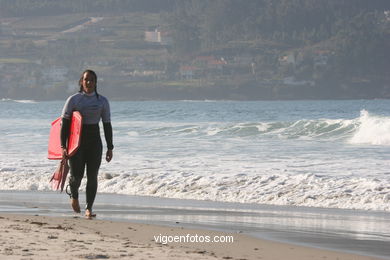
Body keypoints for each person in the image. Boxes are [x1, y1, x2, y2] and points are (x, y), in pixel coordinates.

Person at [60, 69, 113, 219]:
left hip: (94, 141)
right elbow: (64, 124)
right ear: (81, 82)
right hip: (76, 143)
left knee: (92, 176)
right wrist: (63, 146)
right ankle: (74, 195)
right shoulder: (73, 100)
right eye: (86, 80)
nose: (88, 82)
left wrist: (110, 147)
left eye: (91, 80)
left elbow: (107, 125)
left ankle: (89, 208)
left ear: (96, 83)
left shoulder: (102, 101)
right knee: (76, 176)